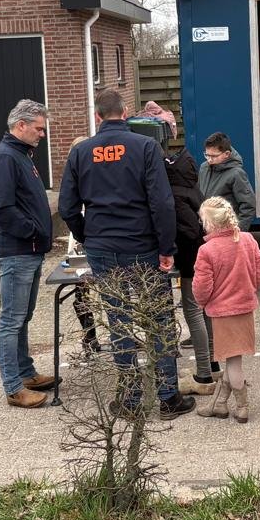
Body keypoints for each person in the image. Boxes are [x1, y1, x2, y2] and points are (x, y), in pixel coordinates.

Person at [60, 89, 191, 418]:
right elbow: (162, 202)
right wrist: (166, 248)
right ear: (127, 113)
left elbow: (67, 207)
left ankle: (131, 400)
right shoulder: (145, 147)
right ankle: (168, 397)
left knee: (119, 322)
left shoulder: (81, 152)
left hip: (104, 249)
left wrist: (86, 236)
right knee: (159, 320)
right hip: (143, 246)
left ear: (97, 117)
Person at [0, 99, 58, 410]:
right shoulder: (5, 158)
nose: (42, 134)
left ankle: (26, 372)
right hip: (17, 252)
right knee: (11, 319)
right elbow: (1, 208)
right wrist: (32, 230)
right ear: (21, 126)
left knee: (23, 317)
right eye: (39, 129)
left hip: (30, 251)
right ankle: (14, 387)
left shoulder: (22, 155)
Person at [191, 196, 260, 423]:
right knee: (232, 358)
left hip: (222, 313)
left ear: (211, 223)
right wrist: (250, 288)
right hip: (245, 308)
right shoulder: (246, 239)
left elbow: (202, 286)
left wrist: (202, 302)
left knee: (233, 362)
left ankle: (242, 406)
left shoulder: (207, 250)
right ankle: (219, 405)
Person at [165, 148, 214, 396]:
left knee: (193, 311)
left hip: (191, 260)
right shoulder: (192, 187)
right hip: (202, 255)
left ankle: (203, 375)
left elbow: (187, 231)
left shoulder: (174, 194)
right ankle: (212, 365)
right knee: (205, 311)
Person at [199, 132, 257, 228]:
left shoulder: (236, 174)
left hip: (227, 231)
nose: (209, 159)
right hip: (207, 227)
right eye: (207, 155)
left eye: (214, 156)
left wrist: (237, 231)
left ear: (227, 154)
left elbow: (248, 206)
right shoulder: (204, 168)